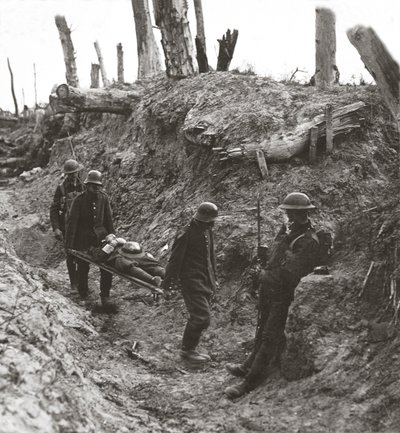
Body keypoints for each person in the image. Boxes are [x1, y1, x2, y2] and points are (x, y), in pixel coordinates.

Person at [224, 192, 320, 399]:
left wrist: (263, 275)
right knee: (261, 329)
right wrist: (265, 255)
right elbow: (277, 258)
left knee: (270, 336)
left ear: (296, 214)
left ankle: (249, 383)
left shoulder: (307, 241)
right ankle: (248, 365)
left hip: (283, 294)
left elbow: (289, 276)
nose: (285, 216)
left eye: (287, 212)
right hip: (270, 290)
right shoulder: (288, 232)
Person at [163, 202, 219, 363]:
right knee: (201, 317)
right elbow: (175, 260)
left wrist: (214, 278)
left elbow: (210, 256)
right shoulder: (186, 233)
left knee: (201, 315)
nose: (214, 223)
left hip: (205, 278)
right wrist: (167, 284)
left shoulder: (206, 230)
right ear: (205, 219)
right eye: (211, 220)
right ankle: (187, 351)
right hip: (191, 280)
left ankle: (190, 348)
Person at [65, 170, 114, 306]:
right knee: (82, 267)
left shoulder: (104, 198)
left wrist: (112, 237)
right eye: (94, 187)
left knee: (107, 266)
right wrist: (70, 245)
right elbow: (72, 224)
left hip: (101, 239)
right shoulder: (79, 201)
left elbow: (109, 220)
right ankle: (83, 293)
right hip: (83, 240)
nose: (97, 189)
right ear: (87, 186)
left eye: (99, 186)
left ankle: (105, 295)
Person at [49, 159, 84, 291]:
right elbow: (54, 209)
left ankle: (82, 282)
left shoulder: (83, 186)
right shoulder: (61, 188)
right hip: (67, 226)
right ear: (66, 174)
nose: (72, 176)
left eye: (74, 173)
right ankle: (73, 282)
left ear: (78, 173)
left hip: (82, 226)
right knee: (70, 255)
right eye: (69, 174)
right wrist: (56, 228)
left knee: (82, 254)